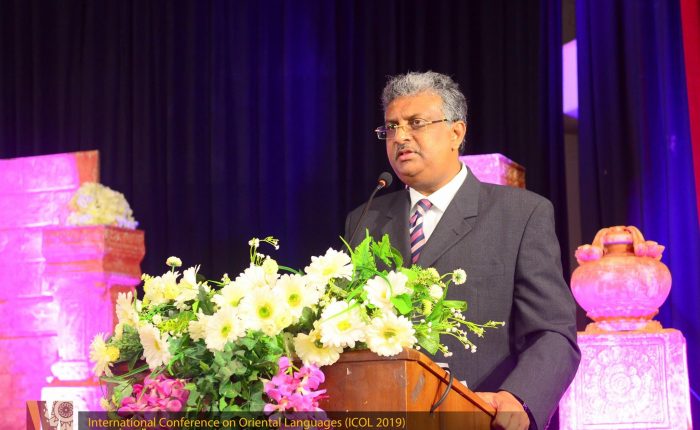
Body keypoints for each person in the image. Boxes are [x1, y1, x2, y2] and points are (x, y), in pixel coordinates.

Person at [344, 71, 580, 430]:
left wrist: (519, 397)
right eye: (391, 127)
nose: (400, 137)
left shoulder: (520, 214)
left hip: (480, 417)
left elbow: (553, 333)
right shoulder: (365, 219)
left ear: (456, 133)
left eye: (415, 123)